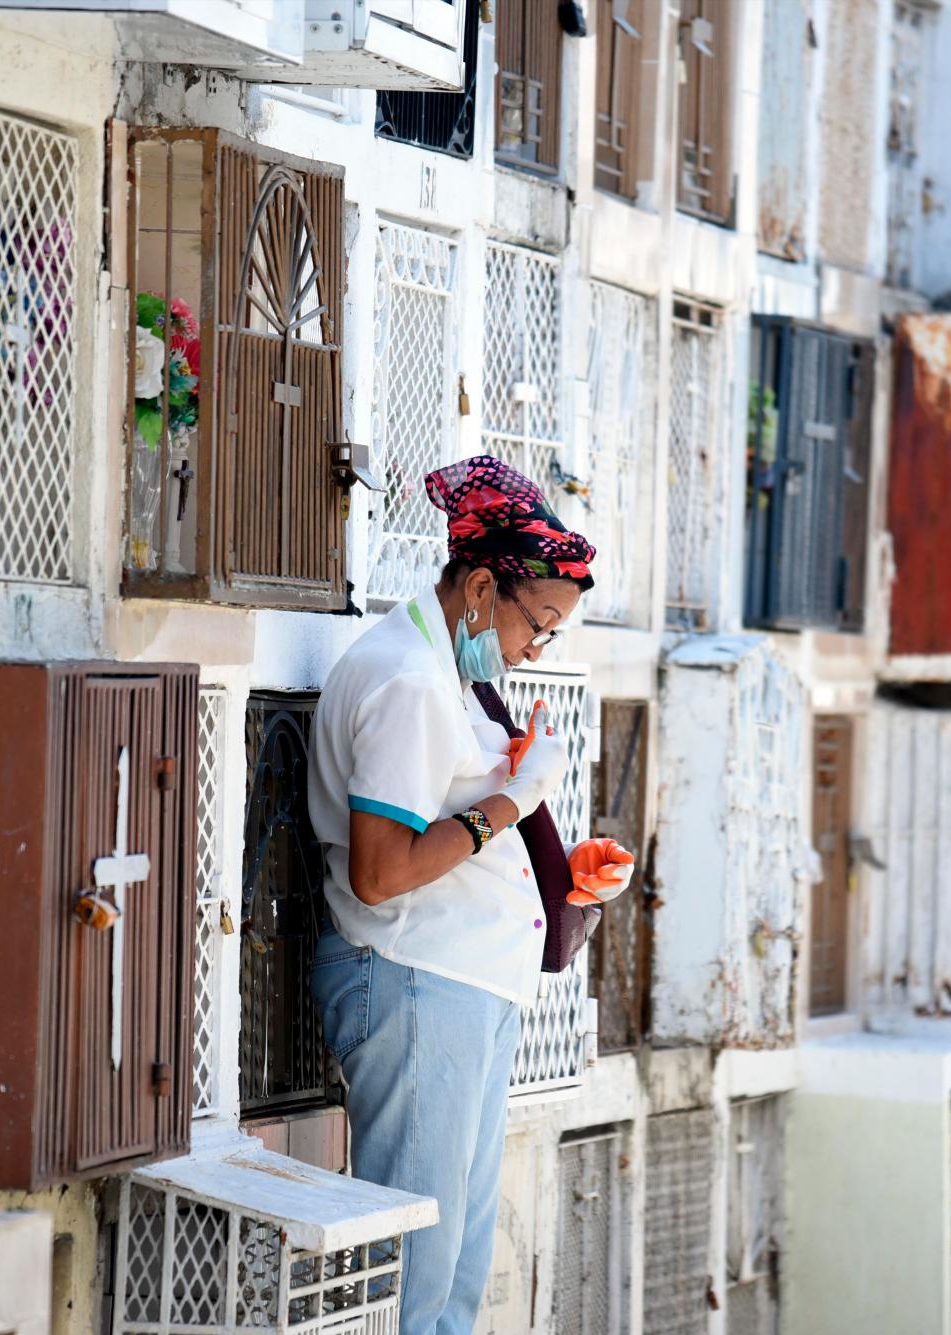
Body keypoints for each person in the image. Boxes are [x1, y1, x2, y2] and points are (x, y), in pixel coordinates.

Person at [307, 455, 637, 1334]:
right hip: (416, 977)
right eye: (542, 625)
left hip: (461, 983)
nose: (537, 649)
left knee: (453, 1273)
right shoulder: (410, 678)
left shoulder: (447, 671)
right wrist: (507, 804)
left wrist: (560, 862)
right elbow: (381, 870)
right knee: (418, 1281)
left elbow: (457, 815)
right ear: (485, 584)